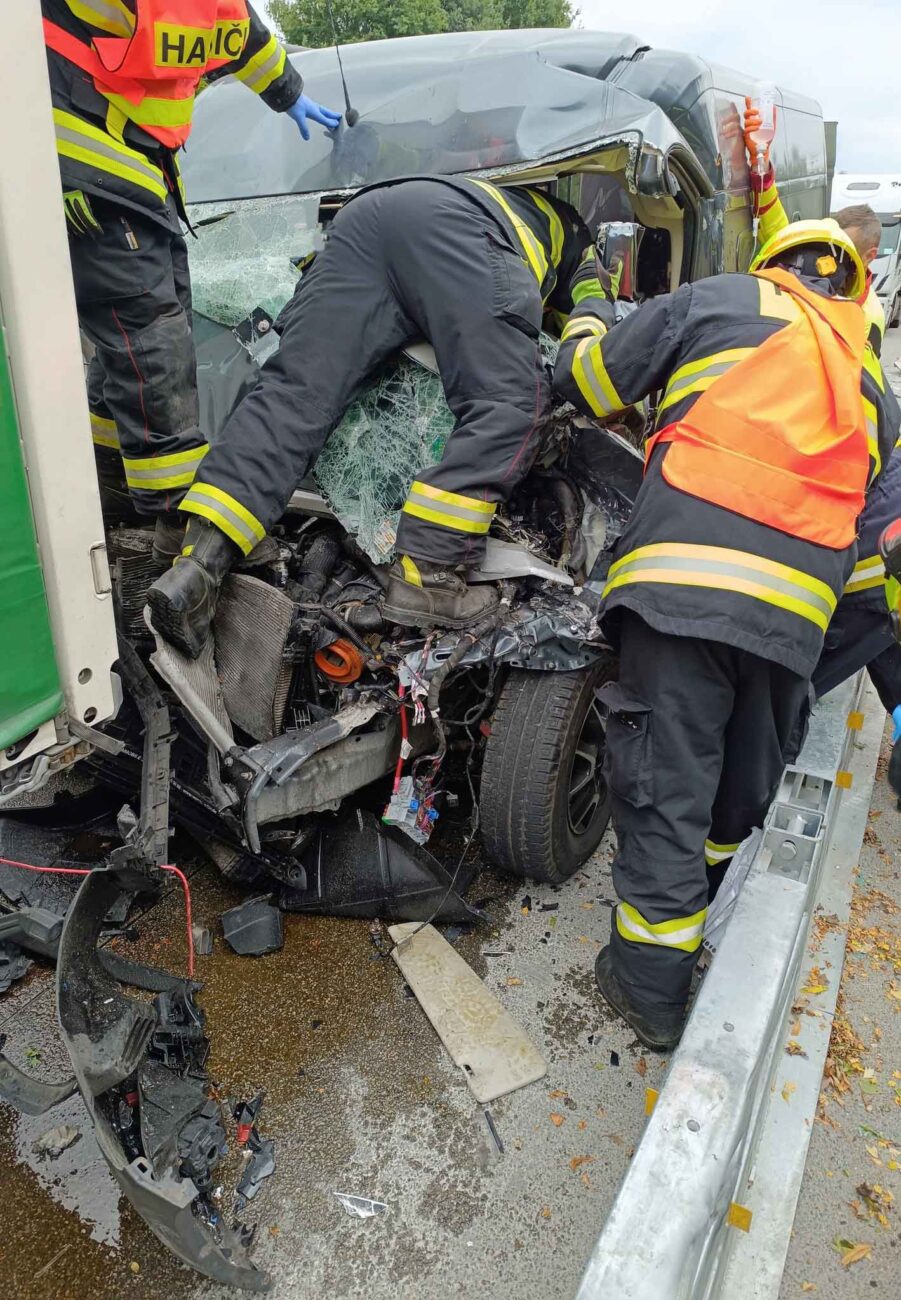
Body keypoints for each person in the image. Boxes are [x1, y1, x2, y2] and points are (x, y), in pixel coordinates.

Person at [553, 220, 899, 1050]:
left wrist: (587, 305)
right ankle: (689, 910)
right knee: (733, 789)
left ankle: (648, 989)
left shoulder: (713, 301)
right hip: (792, 625)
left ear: (771, 266)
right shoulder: (867, 384)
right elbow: (865, 559)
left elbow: (588, 382)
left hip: (678, 591)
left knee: (666, 784)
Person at [147, 176, 592, 655]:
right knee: (512, 401)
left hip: (361, 224)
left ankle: (198, 563)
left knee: (294, 394)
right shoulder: (574, 235)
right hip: (455, 233)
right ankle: (430, 570)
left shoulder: (467, 180)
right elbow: (591, 335)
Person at [43, 0, 340, 563]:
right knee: (151, 333)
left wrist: (289, 94)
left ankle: (107, 480)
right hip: (80, 160)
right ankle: (177, 514)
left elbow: (245, 37)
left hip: (141, 167)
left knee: (136, 336)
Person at [744, 101, 901, 780]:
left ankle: (771, 741)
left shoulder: (847, 314)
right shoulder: (850, 305)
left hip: (859, 513)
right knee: (876, 636)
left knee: (857, 630)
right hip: (863, 501)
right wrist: (762, 173)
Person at [743, 99, 885, 352]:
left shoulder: (867, 316)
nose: (822, 260)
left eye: (841, 250)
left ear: (870, 256)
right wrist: (760, 159)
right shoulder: (811, 271)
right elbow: (779, 232)